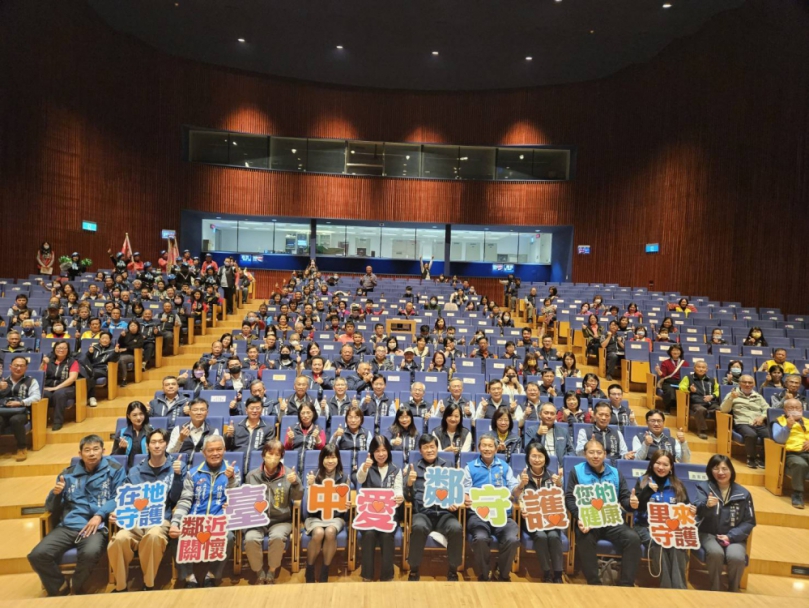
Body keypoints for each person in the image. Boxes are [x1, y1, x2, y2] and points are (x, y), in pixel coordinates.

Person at [27, 434, 126, 596]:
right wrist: (56, 494)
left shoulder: (114, 470)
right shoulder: (68, 474)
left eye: (96, 449)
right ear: (80, 454)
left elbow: (119, 496)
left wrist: (100, 515)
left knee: (90, 553)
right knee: (37, 555)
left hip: (96, 526)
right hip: (69, 525)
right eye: (87, 450)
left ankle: (76, 587)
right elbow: (51, 507)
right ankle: (59, 587)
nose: (92, 453)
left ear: (103, 451)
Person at [107, 428, 186, 592]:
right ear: (148, 446)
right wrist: (118, 512)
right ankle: (121, 586)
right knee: (119, 539)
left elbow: (176, 498)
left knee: (153, 536)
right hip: (136, 520)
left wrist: (178, 477)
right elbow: (125, 498)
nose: (157, 446)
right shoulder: (136, 470)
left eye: (161, 442)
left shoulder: (176, 466)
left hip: (160, 519)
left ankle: (148, 583)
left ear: (166, 444)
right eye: (153, 442)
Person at [565, 437, 641, 586]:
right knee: (584, 537)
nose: (595, 456)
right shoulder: (577, 471)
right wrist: (580, 517)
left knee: (633, 538)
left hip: (611, 519)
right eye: (591, 452)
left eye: (599, 452)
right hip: (589, 520)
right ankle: (594, 583)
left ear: (605, 454)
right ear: (585, 454)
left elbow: (624, 498)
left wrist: (631, 503)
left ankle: (626, 584)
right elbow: (569, 499)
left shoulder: (615, 473)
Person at [169, 435, 240, 588]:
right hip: (195, 521)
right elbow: (185, 500)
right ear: (204, 453)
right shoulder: (193, 473)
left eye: (219, 449)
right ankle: (188, 576)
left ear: (225, 450)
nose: (215, 453)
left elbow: (236, 498)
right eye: (211, 450)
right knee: (175, 535)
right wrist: (175, 523)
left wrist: (232, 479)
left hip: (219, 521)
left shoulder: (233, 470)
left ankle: (212, 575)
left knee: (228, 537)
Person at [461, 433, 520, 582]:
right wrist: (466, 498)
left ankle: (502, 572)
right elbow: (465, 489)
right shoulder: (470, 467)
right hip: (478, 514)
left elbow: (513, 489)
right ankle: (484, 572)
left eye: (490, 446)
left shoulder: (504, 466)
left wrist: (521, 487)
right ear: (478, 448)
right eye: (484, 445)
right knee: (480, 538)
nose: (487, 449)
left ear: (496, 448)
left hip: (502, 514)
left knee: (512, 539)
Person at [405, 434, 464, 581]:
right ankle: (414, 569)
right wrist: (409, 484)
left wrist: (455, 501)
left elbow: (457, 491)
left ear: (437, 448)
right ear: (420, 450)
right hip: (423, 513)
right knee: (418, 527)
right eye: (425, 447)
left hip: (445, 513)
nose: (429, 450)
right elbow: (408, 497)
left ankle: (452, 570)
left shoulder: (448, 465)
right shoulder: (413, 468)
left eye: (432, 446)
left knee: (456, 528)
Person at [243, 439, 303, 584]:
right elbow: (245, 499)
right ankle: (259, 572)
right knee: (250, 539)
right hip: (257, 521)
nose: (273, 458)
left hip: (281, 520)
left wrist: (296, 483)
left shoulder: (289, 474)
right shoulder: (252, 476)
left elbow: (298, 497)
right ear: (263, 455)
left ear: (281, 456)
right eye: (270, 454)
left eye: (278, 455)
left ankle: (271, 570)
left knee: (276, 537)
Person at [630, 450, 692, 588]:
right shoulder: (643, 481)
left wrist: (691, 511)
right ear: (652, 464)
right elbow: (637, 507)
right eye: (658, 463)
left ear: (671, 468)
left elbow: (685, 509)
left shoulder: (678, 485)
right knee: (658, 543)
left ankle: (679, 589)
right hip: (645, 527)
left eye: (665, 464)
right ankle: (667, 589)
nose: (661, 467)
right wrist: (647, 491)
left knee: (677, 545)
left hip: (672, 529)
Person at [694, 455, 755, 592]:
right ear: (711, 471)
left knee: (737, 557)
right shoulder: (703, 487)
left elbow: (749, 521)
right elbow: (697, 511)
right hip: (708, 533)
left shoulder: (744, 494)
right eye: (716, 468)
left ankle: (733, 591)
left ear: (731, 471)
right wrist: (707, 506)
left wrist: (731, 536)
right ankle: (715, 589)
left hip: (733, 537)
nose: (720, 472)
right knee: (716, 553)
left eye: (724, 469)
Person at [356, 435, 403, 581]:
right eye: (377, 451)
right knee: (369, 534)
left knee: (386, 535)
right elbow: (359, 479)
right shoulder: (367, 467)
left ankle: (387, 575)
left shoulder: (396, 470)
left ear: (388, 451)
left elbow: (398, 489)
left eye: (384, 450)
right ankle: (367, 575)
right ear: (372, 452)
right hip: (368, 514)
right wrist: (364, 467)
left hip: (388, 514)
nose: (381, 454)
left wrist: (399, 498)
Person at [516, 443, 564, 583]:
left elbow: (562, 499)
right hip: (532, 519)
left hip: (551, 519)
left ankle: (558, 573)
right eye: (534, 456)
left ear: (545, 458)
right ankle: (547, 572)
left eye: (540, 456)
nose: (537, 459)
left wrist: (560, 485)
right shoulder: (524, 476)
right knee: (541, 536)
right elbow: (516, 496)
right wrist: (521, 485)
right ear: (528, 458)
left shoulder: (553, 477)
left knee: (554, 536)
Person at [303, 444, 350, 583]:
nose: (330, 461)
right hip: (315, 516)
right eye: (327, 457)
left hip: (335, 517)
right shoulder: (314, 476)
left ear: (338, 459)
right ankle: (310, 567)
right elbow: (307, 503)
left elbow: (344, 502)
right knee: (318, 533)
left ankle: (325, 568)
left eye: (333, 457)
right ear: (322, 459)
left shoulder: (344, 477)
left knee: (330, 532)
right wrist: (310, 486)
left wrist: (346, 504)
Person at [720, 375, 770, 468]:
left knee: (769, 435)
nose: (747, 385)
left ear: (754, 384)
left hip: (758, 422)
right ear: (739, 383)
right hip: (742, 422)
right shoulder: (733, 394)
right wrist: (731, 398)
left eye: (750, 383)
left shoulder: (758, 396)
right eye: (744, 382)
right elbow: (723, 409)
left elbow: (767, 409)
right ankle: (751, 458)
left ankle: (762, 458)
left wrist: (762, 417)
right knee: (751, 435)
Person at [0, 355, 42, 461]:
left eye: (22, 366)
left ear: (26, 368)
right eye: (16, 366)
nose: (18, 368)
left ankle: (22, 447)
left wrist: (21, 402)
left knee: (16, 420)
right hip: (2, 411)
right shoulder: (2, 381)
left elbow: (37, 397)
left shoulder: (31, 381)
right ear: (10, 367)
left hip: (21, 412)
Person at [772, 398, 809, 509]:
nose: (794, 410)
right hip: (792, 454)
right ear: (784, 410)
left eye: (797, 408)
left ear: (802, 410)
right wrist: (788, 427)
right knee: (800, 464)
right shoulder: (779, 422)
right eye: (791, 408)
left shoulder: (807, 421)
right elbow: (778, 439)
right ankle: (797, 494)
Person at [41, 340, 80, 431]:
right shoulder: (48, 360)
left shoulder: (72, 361)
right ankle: (41, 421)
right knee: (42, 394)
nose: (61, 350)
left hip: (67, 388)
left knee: (59, 394)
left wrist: (55, 388)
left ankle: (57, 422)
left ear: (68, 350)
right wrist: (43, 364)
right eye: (58, 348)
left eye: (63, 348)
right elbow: (40, 374)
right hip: (49, 386)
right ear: (54, 349)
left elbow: (72, 378)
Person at [679, 360, 720, 439]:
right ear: (694, 368)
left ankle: (719, 430)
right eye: (699, 367)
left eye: (703, 367)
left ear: (706, 369)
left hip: (711, 403)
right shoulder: (688, 377)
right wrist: (689, 389)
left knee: (720, 410)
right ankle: (702, 431)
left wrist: (712, 396)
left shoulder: (712, 379)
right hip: (696, 402)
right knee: (701, 410)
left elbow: (718, 390)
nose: (701, 369)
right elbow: (681, 387)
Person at [283, 402, 326, 468]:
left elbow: (323, 450)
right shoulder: (291, 429)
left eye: (308, 412)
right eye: (303, 413)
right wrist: (289, 440)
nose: (305, 416)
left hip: (312, 463)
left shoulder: (319, 430)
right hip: (293, 462)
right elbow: (286, 449)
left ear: (313, 413)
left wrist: (317, 438)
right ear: (299, 415)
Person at [330, 405, 371, 473]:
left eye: (356, 417)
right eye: (350, 417)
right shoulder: (340, 433)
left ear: (361, 419)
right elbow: (330, 450)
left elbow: (370, 453)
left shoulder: (366, 433)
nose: (353, 420)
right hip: (343, 468)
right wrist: (335, 436)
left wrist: (361, 466)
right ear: (346, 419)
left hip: (361, 468)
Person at [112, 401, 153, 468]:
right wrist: (121, 449)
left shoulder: (152, 432)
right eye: (134, 415)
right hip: (127, 471)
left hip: (147, 469)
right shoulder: (122, 433)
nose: (138, 418)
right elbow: (113, 458)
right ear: (129, 416)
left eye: (141, 414)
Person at [654, 345, 689, 413]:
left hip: (680, 382)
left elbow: (686, 375)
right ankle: (667, 409)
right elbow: (663, 376)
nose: (676, 352)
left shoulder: (685, 363)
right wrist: (658, 371)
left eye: (678, 350)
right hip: (668, 382)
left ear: (681, 352)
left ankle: (682, 411)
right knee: (669, 391)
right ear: (670, 352)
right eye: (673, 350)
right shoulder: (665, 362)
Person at [116, 320, 145, 387]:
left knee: (121, 359)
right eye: (131, 325)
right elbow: (120, 344)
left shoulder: (139, 336)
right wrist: (121, 337)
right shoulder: (125, 334)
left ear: (138, 327)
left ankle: (124, 379)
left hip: (133, 355)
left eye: (134, 325)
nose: (133, 327)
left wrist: (127, 348)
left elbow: (139, 346)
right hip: (122, 353)